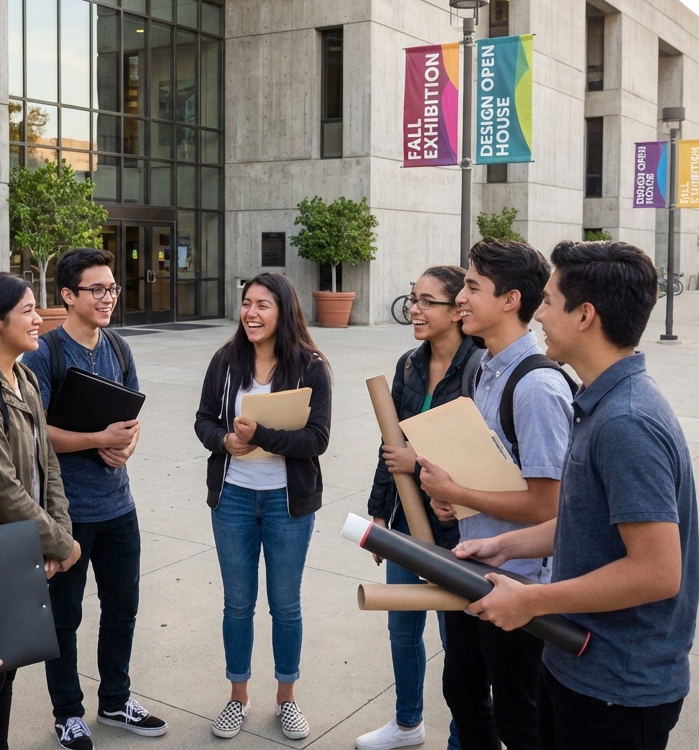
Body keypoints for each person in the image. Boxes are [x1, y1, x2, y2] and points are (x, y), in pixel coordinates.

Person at [455, 240, 699, 750]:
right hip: (575, 663)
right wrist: (505, 547)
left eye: (547, 302)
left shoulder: (627, 422)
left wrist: (532, 600)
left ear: (585, 315)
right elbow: (589, 524)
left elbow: (657, 571)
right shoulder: (602, 403)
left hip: (616, 688)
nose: (537, 314)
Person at [417, 239, 574, 750]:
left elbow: (549, 507)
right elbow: (493, 475)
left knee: (518, 716)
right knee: (462, 693)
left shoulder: (537, 387)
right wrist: (453, 498)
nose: (460, 297)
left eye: (472, 286)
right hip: (472, 566)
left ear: (510, 300)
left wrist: (459, 490)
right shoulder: (485, 366)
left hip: (520, 582)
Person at [24, 248, 167, 750]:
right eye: (97, 290)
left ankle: (115, 700)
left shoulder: (120, 348)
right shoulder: (45, 353)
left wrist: (125, 444)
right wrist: (97, 440)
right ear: (68, 296)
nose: (108, 297)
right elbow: (35, 430)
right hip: (68, 514)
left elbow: (133, 416)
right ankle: (68, 714)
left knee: (122, 608)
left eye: (112, 288)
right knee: (64, 618)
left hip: (118, 507)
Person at [194, 273, 332, 742]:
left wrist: (259, 436)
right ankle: (238, 698)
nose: (251, 313)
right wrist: (224, 440)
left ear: (284, 311)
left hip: (287, 503)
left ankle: (286, 700)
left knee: (285, 605)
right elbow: (203, 420)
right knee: (237, 604)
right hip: (232, 498)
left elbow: (318, 438)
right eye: (247, 303)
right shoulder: (226, 360)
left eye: (263, 305)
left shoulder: (311, 366)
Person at [0, 272, 83, 750]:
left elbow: (47, 465)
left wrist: (57, 536)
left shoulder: (24, 376)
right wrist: (61, 543)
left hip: (25, 550)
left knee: (6, 674)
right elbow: (1, 489)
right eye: (27, 310)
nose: (38, 318)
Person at [356, 266, 483, 750]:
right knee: (402, 625)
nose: (416, 309)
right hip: (408, 518)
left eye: (428, 301)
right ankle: (407, 724)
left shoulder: (479, 367)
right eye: (413, 299)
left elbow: (482, 453)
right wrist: (379, 513)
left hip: (458, 526)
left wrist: (420, 460)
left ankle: (462, 735)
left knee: (458, 640)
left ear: (457, 310)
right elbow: (390, 445)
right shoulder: (409, 363)